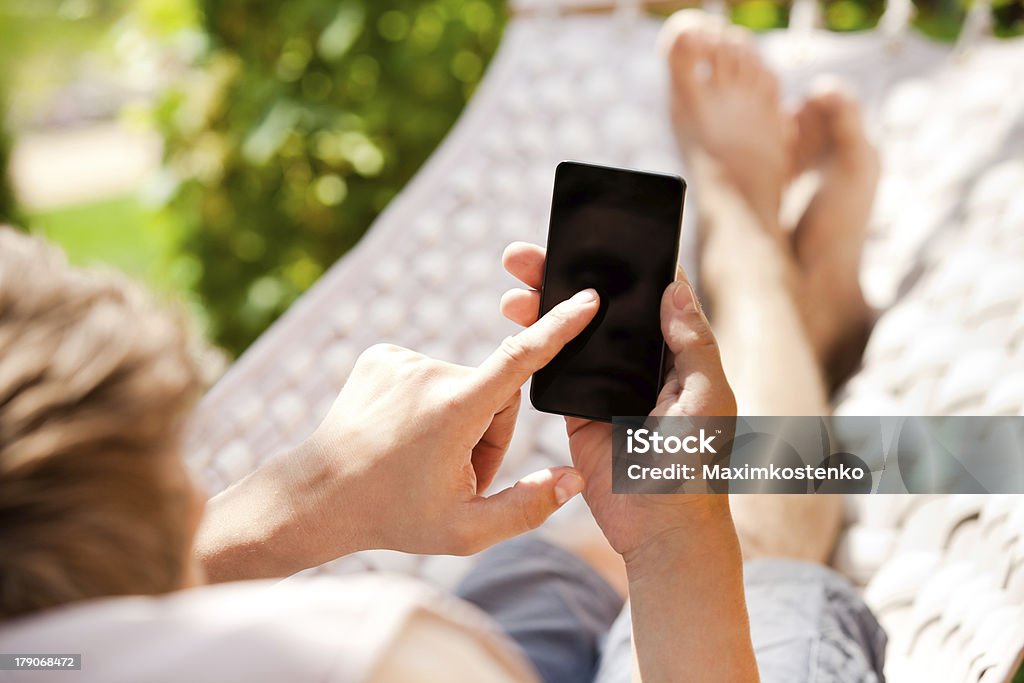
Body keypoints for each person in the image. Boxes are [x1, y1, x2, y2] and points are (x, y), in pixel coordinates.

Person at [0, 11, 885, 683]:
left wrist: (305, 504)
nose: (202, 489)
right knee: (754, 537)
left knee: (545, 568)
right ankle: (754, 243)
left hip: (481, 640)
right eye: (177, 473)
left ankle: (795, 334)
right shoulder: (375, 655)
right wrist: (679, 543)